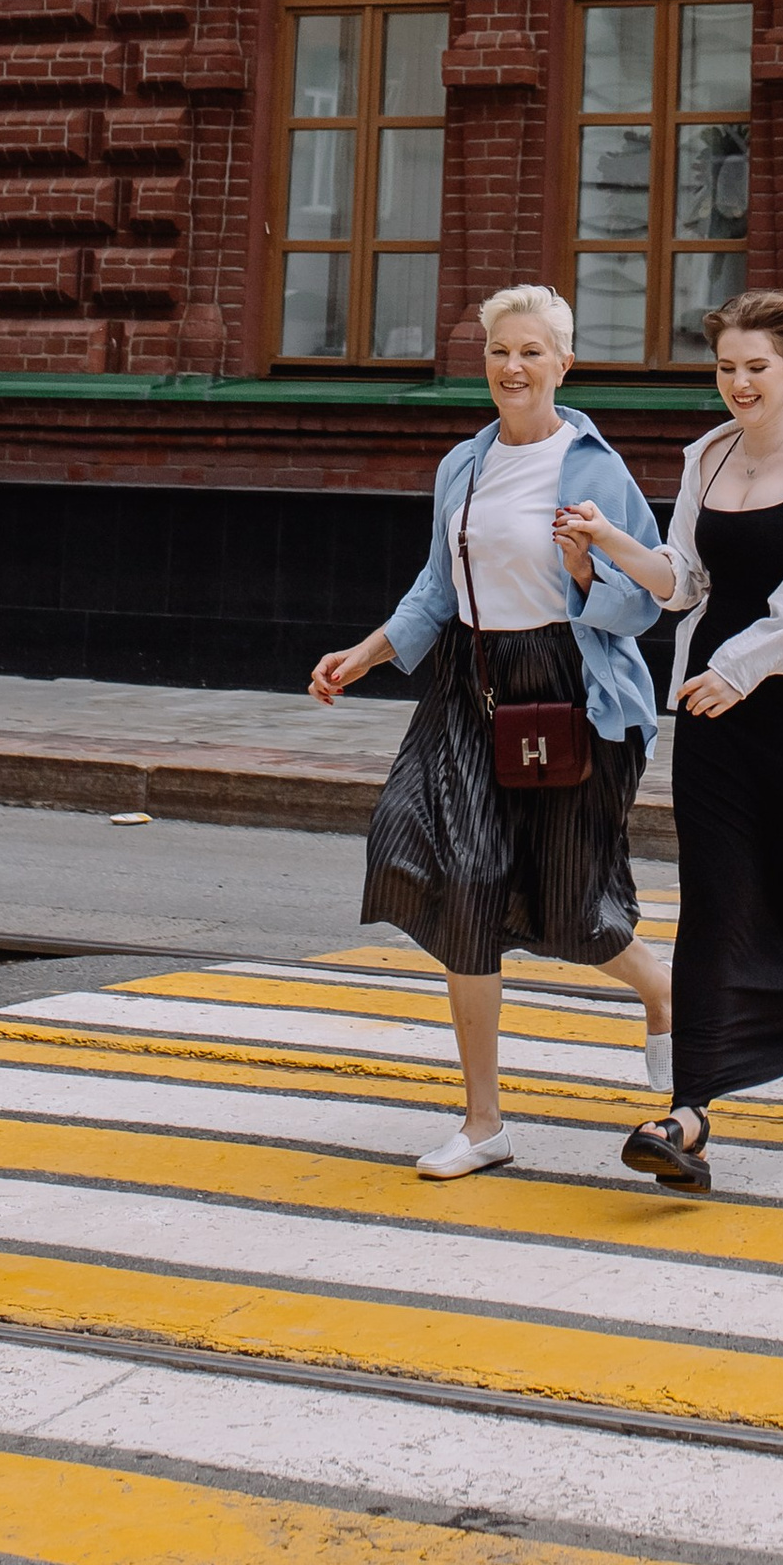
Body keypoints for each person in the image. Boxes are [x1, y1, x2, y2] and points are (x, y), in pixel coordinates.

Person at [559, 286, 783, 1194]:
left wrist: (743, 666)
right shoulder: (709, 457)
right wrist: (609, 540)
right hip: (714, 703)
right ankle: (688, 1115)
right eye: (726, 368)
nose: (739, 384)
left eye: (756, 368)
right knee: (718, 898)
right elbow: (683, 582)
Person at [309, 282, 671, 1176]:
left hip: (568, 690)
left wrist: (589, 570)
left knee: (574, 907)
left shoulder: (593, 467)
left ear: (564, 364)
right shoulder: (462, 465)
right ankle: (483, 1124)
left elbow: (643, 605)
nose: (514, 367)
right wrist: (366, 653)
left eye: (532, 352)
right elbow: (438, 586)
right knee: (455, 879)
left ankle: (668, 997)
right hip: (468, 686)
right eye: (500, 351)